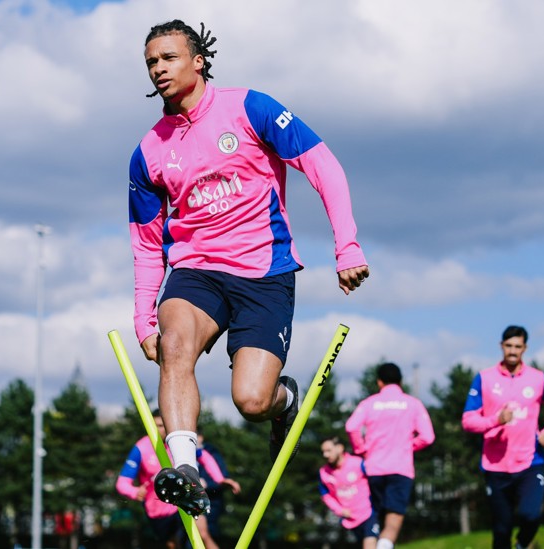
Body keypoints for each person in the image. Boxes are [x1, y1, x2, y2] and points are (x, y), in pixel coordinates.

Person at [128, 19, 370, 517]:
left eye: (169, 58)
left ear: (198, 61)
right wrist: (143, 318)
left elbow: (323, 165)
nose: (158, 69)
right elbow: (147, 244)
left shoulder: (250, 108)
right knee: (175, 345)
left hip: (263, 270)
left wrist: (346, 247)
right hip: (195, 271)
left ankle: (285, 402)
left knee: (253, 401)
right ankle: (186, 469)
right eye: (151, 62)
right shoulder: (148, 151)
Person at [461, 325, 544, 549]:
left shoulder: (538, 378)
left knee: (531, 515)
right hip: (495, 465)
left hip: (530, 461)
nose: (512, 351)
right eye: (508, 346)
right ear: (501, 346)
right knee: (502, 528)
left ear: (525, 348)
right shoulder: (484, 378)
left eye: (517, 346)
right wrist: (495, 420)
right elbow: (468, 421)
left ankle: (522, 545)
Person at [116, 410, 240, 549]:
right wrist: (135, 492)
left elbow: (204, 456)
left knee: (203, 534)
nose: (157, 430)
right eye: (154, 425)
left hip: (183, 499)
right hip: (158, 509)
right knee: (173, 545)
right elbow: (122, 483)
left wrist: (220, 479)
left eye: (161, 425)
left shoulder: (177, 443)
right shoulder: (141, 448)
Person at [345, 363, 434, 549]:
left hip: (373, 469)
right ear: (400, 381)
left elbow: (351, 427)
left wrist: (361, 449)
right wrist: (409, 446)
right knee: (393, 519)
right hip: (400, 469)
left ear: (379, 382)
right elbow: (428, 437)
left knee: (376, 518)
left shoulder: (369, 403)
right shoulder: (413, 404)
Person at [318, 436, 379, 549]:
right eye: (323, 452)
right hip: (349, 520)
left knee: (370, 544)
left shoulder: (358, 463)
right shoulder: (324, 473)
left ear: (340, 448)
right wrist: (339, 510)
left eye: (328, 451)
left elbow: (376, 483)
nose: (325, 455)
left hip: (369, 514)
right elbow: (325, 495)